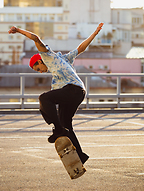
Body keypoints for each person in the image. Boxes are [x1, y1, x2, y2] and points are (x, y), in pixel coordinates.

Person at [8, 23, 103, 164]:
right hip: (77, 93)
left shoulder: (46, 56)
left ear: (39, 61)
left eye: (38, 68)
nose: (41, 71)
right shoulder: (64, 59)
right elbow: (80, 48)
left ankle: (58, 129)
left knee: (44, 98)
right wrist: (94, 34)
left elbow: (35, 38)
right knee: (66, 123)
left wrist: (18, 30)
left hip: (73, 90)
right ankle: (80, 156)